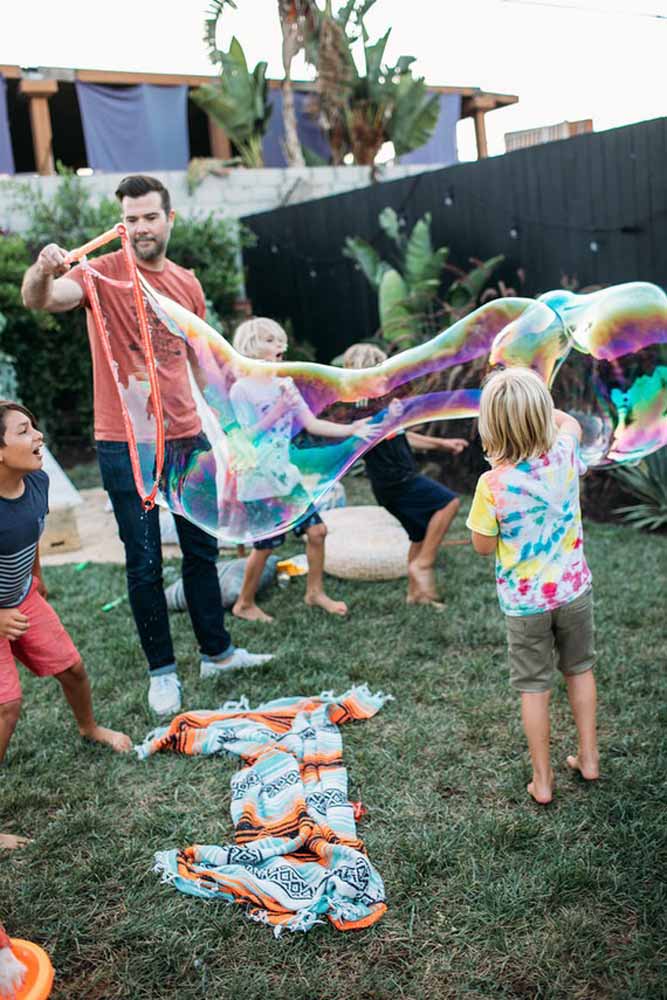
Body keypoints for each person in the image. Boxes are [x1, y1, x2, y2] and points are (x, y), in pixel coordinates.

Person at [21, 175, 272, 717]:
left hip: (186, 435)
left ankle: (217, 652)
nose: (139, 228)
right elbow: (42, 299)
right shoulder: (100, 272)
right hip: (125, 441)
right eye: (130, 219)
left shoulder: (187, 284)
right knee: (143, 561)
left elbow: (200, 364)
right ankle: (162, 672)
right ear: (122, 223)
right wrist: (42, 270)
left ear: (169, 219)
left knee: (202, 549)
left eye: (149, 217)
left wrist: (226, 427)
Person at [466, 367, 598, 805]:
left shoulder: (491, 485)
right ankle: (589, 757)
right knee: (579, 669)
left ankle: (542, 781)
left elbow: (483, 547)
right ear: (544, 414)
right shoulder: (564, 450)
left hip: (526, 607)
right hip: (574, 591)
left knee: (534, 687)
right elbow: (570, 423)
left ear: (490, 426)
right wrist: (538, 407)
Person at [0, 401, 132, 768]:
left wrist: (34, 575)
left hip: (22, 597)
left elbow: (30, 530)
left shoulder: (38, 481)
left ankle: (88, 728)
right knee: (6, 707)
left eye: (33, 427)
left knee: (72, 667)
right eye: (23, 431)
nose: (38, 435)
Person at [230, 318, 375, 622]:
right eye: (270, 340)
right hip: (258, 482)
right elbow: (246, 437)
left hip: (285, 477)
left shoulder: (284, 385)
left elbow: (312, 424)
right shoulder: (241, 390)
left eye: (280, 339)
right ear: (251, 347)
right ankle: (244, 603)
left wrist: (352, 428)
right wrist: (278, 412)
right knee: (266, 546)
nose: (279, 345)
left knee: (318, 531)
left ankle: (315, 592)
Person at [343, 344, 468, 605]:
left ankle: (415, 595)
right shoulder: (358, 412)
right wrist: (391, 417)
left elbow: (403, 436)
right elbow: (372, 436)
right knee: (449, 503)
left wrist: (443, 444)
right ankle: (423, 564)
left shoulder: (383, 406)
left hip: (398, 479)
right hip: (395, 481)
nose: (386, 378)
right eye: (380, 372)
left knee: (419, 535)